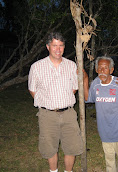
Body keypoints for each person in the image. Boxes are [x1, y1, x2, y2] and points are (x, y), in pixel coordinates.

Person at [28, 32, 83, 172]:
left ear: (64, 47)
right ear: (48, 47)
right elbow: (32, 90)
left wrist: (63, 99)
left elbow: (74, 88)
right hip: (47, 115)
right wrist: (48, 102)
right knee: (50, 147)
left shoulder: (71, 66)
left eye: (61, 46)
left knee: (71, 146)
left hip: (69, 114)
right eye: (54, 46)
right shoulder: (37, 67)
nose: (58, 49)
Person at [83, 56, 118, 172]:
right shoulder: (96, 83)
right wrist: (85, 79)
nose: (102, 71)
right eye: (99, 68)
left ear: (111, 70)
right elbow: (88, 98)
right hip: (105, 132)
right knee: (109, 163)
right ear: (96, 69)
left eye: (105, 68)